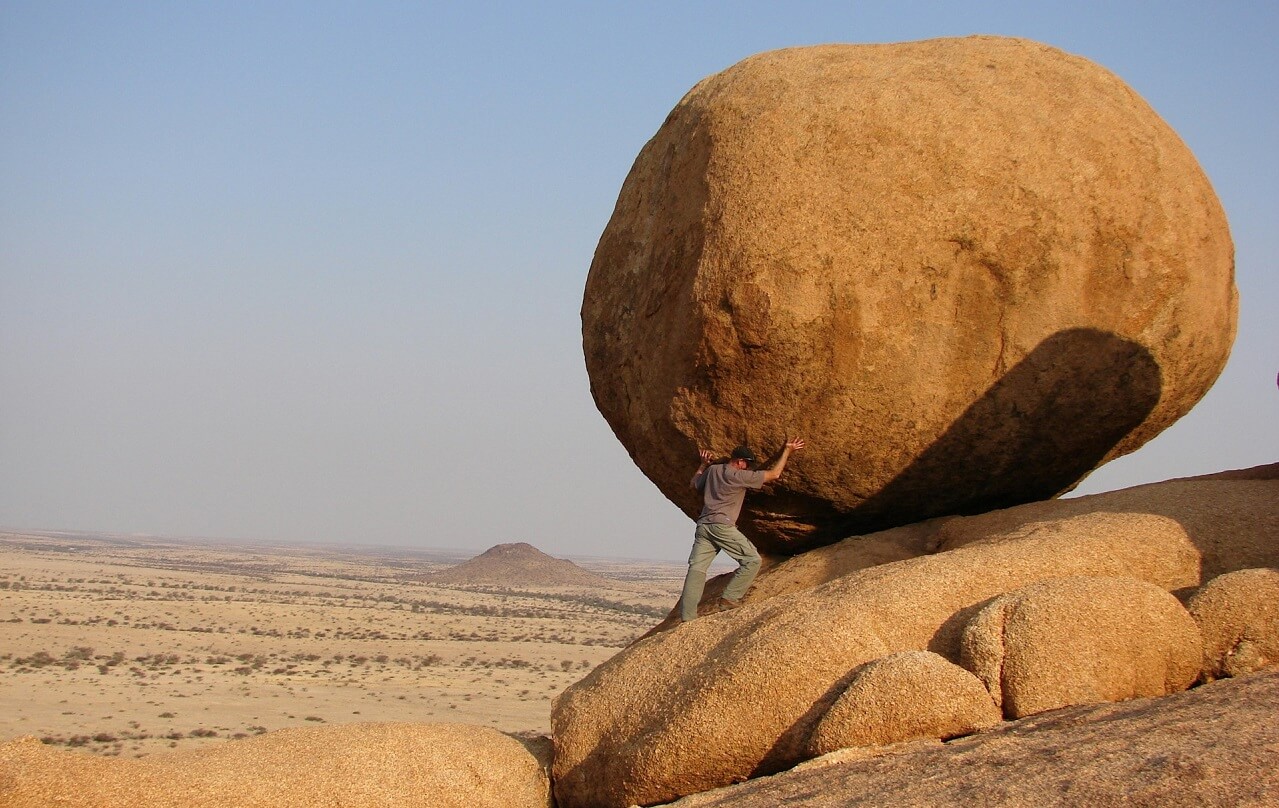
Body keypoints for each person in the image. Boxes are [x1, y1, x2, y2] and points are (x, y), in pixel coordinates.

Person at [678, 437, 806, 622]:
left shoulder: (713, 470)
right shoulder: (738, 476)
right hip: (722, 525)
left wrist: (702, 465)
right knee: (752, 560)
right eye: (746, 464)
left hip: (704, 526)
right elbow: (775, 474)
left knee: (696, 569)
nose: (747, 468)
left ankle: (687, 617)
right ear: (739, 462)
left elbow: (694, 484)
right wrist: (787, 450)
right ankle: (730, 598)